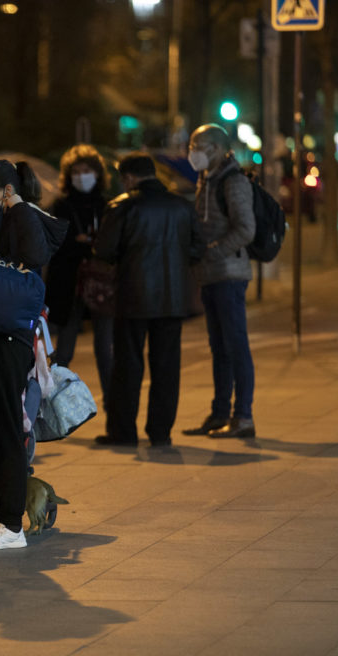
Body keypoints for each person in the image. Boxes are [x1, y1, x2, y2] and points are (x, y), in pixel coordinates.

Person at [0, 158, 65, 551]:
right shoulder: (6, 218)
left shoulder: (22, 217)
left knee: (5, 429)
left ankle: (11, 525)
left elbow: (29, 265)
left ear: (7, 191)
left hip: (10, 339)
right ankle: (4, 519)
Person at [94, 152, 204, 447]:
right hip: (173, 298)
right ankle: (160, 432)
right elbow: (198, 248)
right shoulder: (182, 207)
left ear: (128, 177)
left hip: (133, 295)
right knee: (167, 366)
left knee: (127, 366)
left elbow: (104, 250)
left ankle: (123, 432)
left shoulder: (122, 207)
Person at [181, 123, 257, 439]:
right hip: (211, 275)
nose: (192, 152)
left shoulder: (233, 181)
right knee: (219, 347)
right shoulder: (205, 179)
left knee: (235, 345)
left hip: (228, 275)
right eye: (191, 146)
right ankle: (219, 413)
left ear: (215, 149)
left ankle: (243, 417)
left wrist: (213, 251)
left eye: (198, 146)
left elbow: (246, 229)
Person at [45, 145, 114, 432]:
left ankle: (114, 410)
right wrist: (84, 242)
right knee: (64, 351)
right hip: (70, 286)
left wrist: (85, 241)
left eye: (87, 171)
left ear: (98, 173)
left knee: (105, 349)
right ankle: (53, 410)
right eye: (76, 171)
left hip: (101, 287)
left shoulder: (107, 205)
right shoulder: (61, 206)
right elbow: (59, 245)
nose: (81, 176)